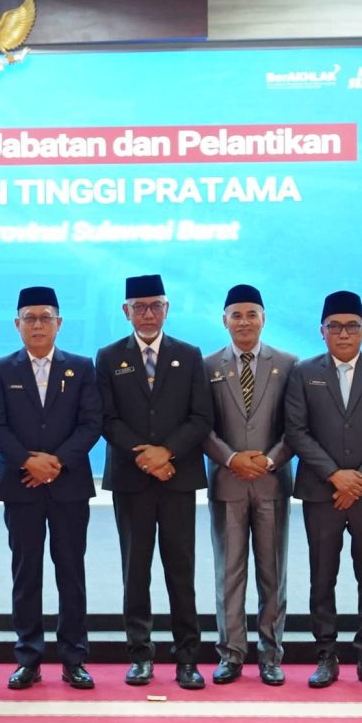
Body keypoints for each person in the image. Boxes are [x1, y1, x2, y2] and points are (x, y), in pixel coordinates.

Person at [283, 289, 362, 690]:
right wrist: (336, 475)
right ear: (321, 331)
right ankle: (326, 656)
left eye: (351, 326)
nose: (343, 334)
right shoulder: (304, 373)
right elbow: (296, 431)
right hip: (323, 493)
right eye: (334, 326)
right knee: (323, 577)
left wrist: (361, 478)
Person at [96, 274, 214, 689]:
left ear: (167, 309)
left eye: (155, 306)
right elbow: (107, 419)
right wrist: (145, 457)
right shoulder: (109, 357)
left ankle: (187, 659)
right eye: (139, 307)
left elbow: (201, 417)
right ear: (126, 311)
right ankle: (140, 656)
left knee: (181, 570)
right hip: (132, 480)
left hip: (177, 477)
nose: (148, 314)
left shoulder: (189, 354)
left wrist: (167, 453)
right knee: (136, 571)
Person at [0, 285, 102, 691]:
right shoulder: (1, 368)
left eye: (45, 318)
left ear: (59, 323)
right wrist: (27, 461)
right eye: (29, 318)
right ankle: (28, 658)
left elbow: (91, 423)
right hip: (21, 485)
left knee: (71, 571)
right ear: (17, 324)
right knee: (26, 573)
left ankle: (74, 658)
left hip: (69, 485)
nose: (37, 325)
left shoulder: (81, 367)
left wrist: (56, 464)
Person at [204, 284, 295, 685]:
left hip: (272, 482)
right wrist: (231, 458)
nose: (244, 322)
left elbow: (297, 425)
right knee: (229, 573)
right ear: (224, 320)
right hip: (227, 482)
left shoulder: (288, 364)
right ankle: (231, 654)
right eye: (236, 315)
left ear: (264, 318)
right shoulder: (207, 366)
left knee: (272, 573)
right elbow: (202, 425)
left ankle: (271, 655)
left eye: (251, 314)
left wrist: (270, 459)